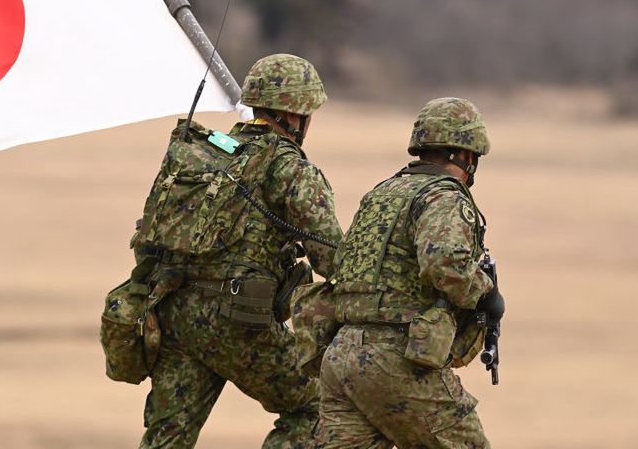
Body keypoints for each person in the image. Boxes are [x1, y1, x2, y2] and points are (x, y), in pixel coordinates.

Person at [134, 54, 343, 449]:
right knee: (318, 408)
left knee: (167, 438)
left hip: (174, 315)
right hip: (238, 322)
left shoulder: (206, 151)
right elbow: (334, 258)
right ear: (296, 116)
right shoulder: (290, 168)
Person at [312, 97, 505, 449]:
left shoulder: (382, 193)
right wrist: (488, 296)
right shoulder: (443, 197)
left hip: (341, 356)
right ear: (465, 156)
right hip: (395, 359)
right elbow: (443, 263)